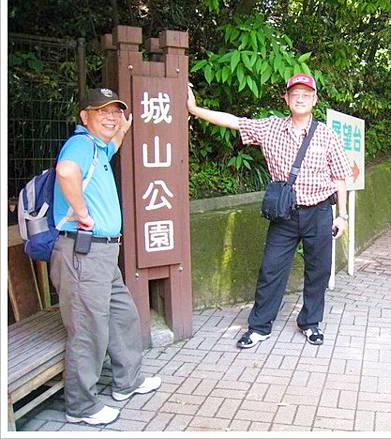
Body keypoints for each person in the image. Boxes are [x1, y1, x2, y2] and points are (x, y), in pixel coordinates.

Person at [187, 73, 351, 349]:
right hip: (284, 213)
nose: (300, 98)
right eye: (294, 94)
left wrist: (342, 215)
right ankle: (259, 327)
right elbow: (234, 121)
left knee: (319, 270)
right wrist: (193, 110)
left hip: (319, 211)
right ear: (286, 98)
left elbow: (340, 177)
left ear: (314, 100)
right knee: (271, 270)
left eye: (306, 94)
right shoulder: (271, 128)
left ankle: (310, 323)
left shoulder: (326, 135)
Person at [52, 88, 161, 425]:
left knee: (122, 314)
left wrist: (123, 130)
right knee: (88, 328)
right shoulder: (81, 145)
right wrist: (83, 213)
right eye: (103, 112)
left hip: (101, 254)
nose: (111, 117)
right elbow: (66, 171)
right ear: (85, 116)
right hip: (82, 250)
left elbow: (111, 146)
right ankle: (81, 406)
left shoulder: (98, 148)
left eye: (116, 111)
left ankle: (128, 381)